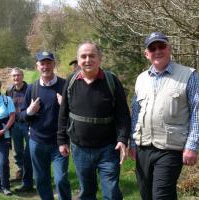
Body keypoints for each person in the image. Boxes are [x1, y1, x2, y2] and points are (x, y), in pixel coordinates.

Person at [129, 32, 199, 200]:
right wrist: (132, 142)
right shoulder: (141, 79)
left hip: (170, 148)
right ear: (147, 54)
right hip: (143, 147)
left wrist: (192, 145)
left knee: (161, 195)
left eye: (161, 46)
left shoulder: (189, 75)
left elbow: (197, 111)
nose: (157, 51)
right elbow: (136, 113)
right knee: (147, 195)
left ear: (170, 49)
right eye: (152, 48)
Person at [58, 41, 131, 200]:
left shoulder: (112, 81)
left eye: (92, 56)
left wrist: (123, 139)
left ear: (100, 59)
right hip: (80, 149)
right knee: (87, 192)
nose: (87, 60)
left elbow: (123, 114)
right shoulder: (71, 81)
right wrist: (62, 140)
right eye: (83, 56)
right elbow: (63, 113)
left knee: (111, 193)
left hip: (108, 149)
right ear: (78, 60)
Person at [20, 51, 71, 200]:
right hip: (37, 142)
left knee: (61, 179)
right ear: (37, 66)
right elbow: (21, 115)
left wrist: (65, 106)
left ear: (54, 64)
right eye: (42, 63)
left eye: (49, 63)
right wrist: (30, 111)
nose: (46, 66)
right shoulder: (32, 88)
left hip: (59, 142)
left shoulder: (65, 85)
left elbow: (76, 111)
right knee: (42, 180)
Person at [6, 67, 33, 191]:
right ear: (12, 78)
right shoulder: (9, 90)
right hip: (15, 125)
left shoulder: (30, 89)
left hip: (28, 124)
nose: (16, 78)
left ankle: (32, 175)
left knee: (31, 150)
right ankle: (21, 172)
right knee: (18, 150)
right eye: (14, 76)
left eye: (18, 75)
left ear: (22, 76)